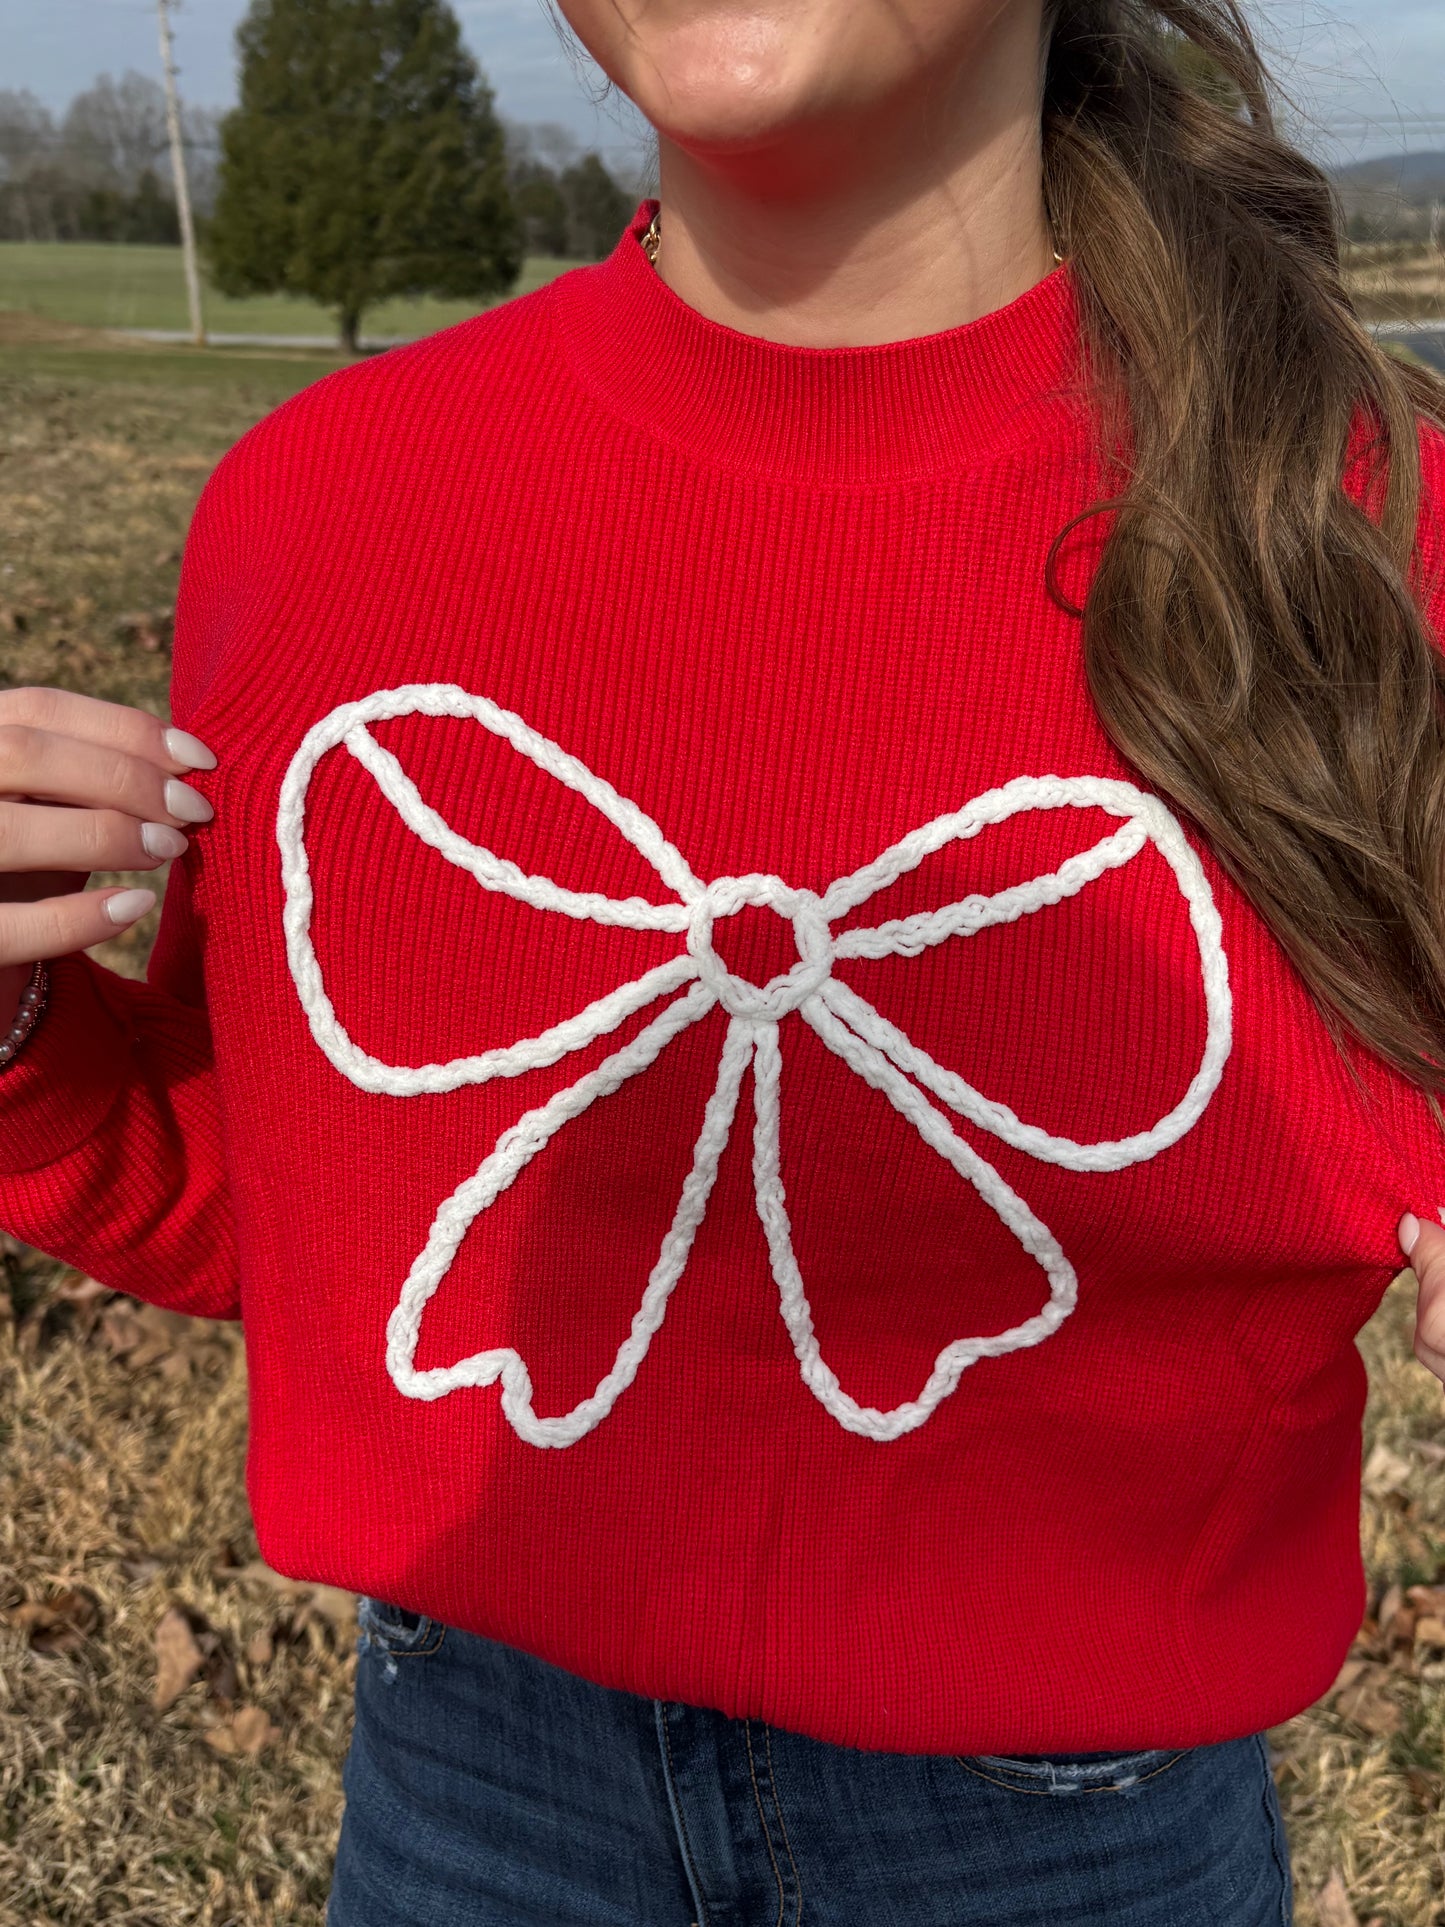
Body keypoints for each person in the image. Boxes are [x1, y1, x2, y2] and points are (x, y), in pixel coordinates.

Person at [3, 0, 1445, 1919]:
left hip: (1069, 1841)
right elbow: (318, 1202)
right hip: (471, 1791)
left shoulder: (1354, 528)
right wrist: (20, 1016)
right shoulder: (326, 513)